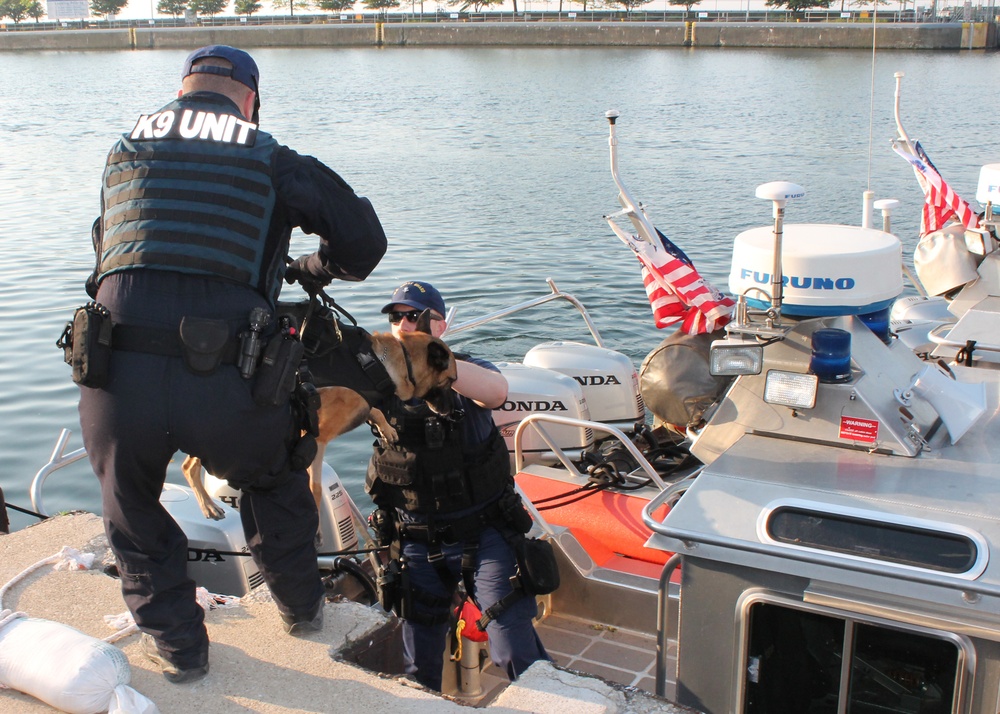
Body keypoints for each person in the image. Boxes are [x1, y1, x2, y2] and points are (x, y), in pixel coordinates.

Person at [76, 45, 387, 684]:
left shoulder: (125, 151)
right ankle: (301, 611)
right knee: (274, 476)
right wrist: (309, 269)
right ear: (251, 101)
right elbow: (364, 241)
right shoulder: (269, 155)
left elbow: (105, 252)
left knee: (128, 501)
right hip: (230, 377)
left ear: (182, 91)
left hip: (117, 371)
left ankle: (181, 653)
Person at [365, 281, 550, 691]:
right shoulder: (379, 382)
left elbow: (497, 393)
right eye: (395, 317)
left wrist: (436, 363)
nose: (402, 324)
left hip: (485, 534)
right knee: (417, 662)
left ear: (440, 325)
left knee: (511, 647)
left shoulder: (467, 368)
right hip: (414, 538)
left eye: (413, 316)